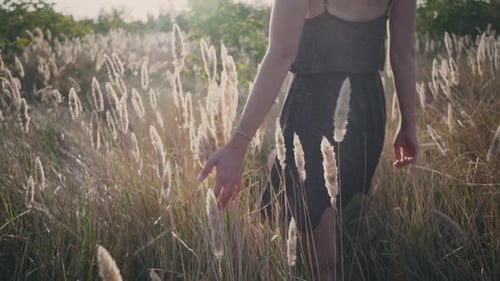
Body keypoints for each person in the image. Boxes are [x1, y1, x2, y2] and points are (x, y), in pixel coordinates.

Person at [198, 0, 419, 280]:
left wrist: (238, 145)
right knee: (320, 236)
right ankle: (282, 184)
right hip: (359, 113)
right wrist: (408, 125)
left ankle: (280, 182)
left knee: (324, 223)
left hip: (321, 112)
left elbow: (280, 54)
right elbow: (403, 54)